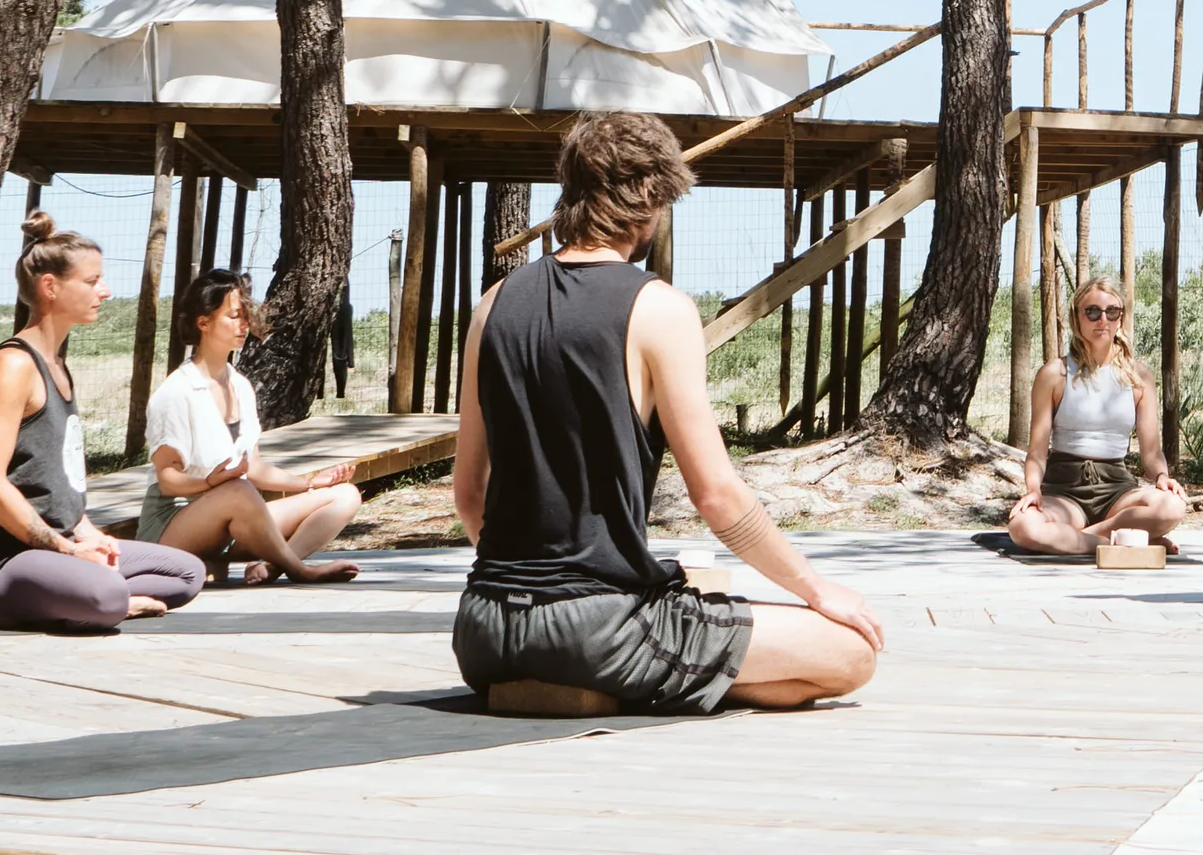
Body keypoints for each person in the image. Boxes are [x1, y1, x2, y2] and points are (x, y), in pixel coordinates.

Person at [450, 110, 886, 712]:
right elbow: (717, 497)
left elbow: (469, 493)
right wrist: (817, 589)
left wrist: (531, 586)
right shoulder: (658, 308)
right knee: (847, 653)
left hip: (482, 633)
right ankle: (618, 678)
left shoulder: (493, 303)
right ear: (652, 196)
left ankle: (597, 675)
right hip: (595, 628)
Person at [0, 212, 210, 633]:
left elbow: (58, 479)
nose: (105, 292)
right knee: (108, 597)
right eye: (92, 282)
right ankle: (78, 597)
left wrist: (89, 535)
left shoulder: (58, 366)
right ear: (50, 287)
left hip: (63, 545)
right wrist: (67, 551)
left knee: (187, 574)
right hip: (4, 560)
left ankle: (75, 595)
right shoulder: (12, 366)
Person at [141, 269, 365, 582]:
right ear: (203, 323)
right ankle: (300, 571)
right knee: (238, 489)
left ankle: (272, 566)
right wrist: (212, 483)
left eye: (245, 315)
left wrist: (313, 483)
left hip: (235, 517)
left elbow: (255, 467)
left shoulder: (241, 386)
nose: (244, 324)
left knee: (345, 495)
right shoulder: (176, 392)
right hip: (173, 525)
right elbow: (168, 481)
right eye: (234, 316)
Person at [1001, 274, 1193, 557]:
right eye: (1092, 312)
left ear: (1120, 318)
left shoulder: (1138, 377)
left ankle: (1079, 540)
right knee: (1024, 528)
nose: (1102, 319)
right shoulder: (1054, 374)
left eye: (1111, 311)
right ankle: (1118, 543)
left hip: (1117, 489)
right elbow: (1037, 451)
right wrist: (1033, 491)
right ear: (1076, 318)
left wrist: (1162, 476)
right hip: (1064, 489)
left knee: (1173, 506)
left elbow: (1151, 451)